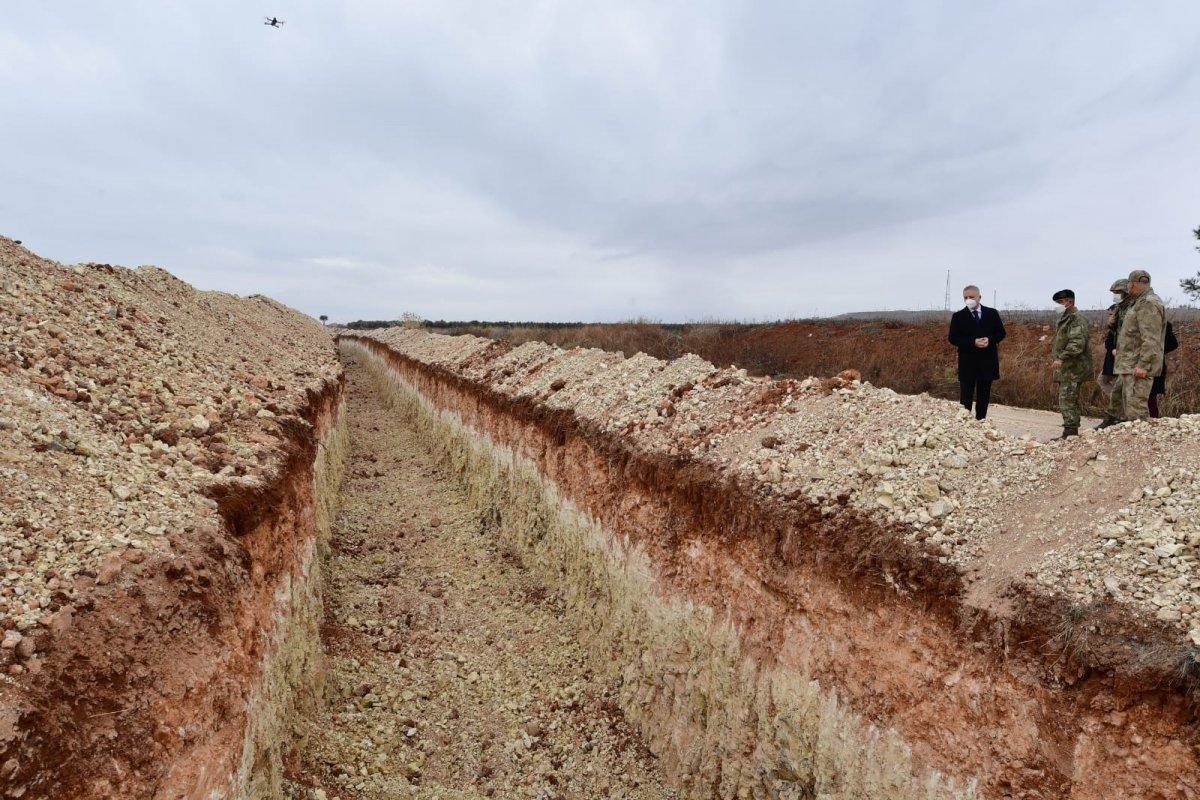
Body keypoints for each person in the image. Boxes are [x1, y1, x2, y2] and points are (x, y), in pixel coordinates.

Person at [1108, 269, 1166, 424]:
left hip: (1137, 367)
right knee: (1131, 412)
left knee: (1136, 414)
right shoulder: (1139, 302)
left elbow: (1151, 339)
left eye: (1128, 284)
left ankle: (1144, 445)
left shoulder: (1148, 303)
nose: (1127, 287)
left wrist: (1143, 365)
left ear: (1133, 284)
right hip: (1130, 365)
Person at [948, 285, 1006, 420]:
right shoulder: (958, 316)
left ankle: (981, 422)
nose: (968, 300)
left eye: (971, 297)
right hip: (967, 362)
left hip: (987, 362)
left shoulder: (992, 313)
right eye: (965, 298)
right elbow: (953, 338)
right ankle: (965, 424)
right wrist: (972, 342)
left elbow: (1001, 333)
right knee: (966, 396)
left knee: (983, 396)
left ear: (979, 297)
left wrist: (990, 340)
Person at [1049, 289, 1092, 438]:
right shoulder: (1065, 318)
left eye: (1060, 302)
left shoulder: (1076, 319)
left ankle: (1070, 433)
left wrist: (1061, 358)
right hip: (1067, 368)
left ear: (1070, 302)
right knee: (1066, 399)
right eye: (1057, 303)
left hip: (1074, 368)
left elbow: (1076, 344)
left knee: (1068, 399)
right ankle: (1069, 431)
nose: (1058, 305)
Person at [1096, 279, 1129, 403]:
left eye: (1118, 292)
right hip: (1115, 358)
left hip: (1124, 357)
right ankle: (1118, 404)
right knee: (1104, 381)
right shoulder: (1120, 311)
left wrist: (1117, 350)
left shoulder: (1129, 311)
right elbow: (1111, 339)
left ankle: (1119, 404)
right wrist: (1111, 325)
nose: (1115, 295)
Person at [1149, 321, 1179, 418]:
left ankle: (1153, 422)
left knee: (1151, 396)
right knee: (1148, 397)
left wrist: (1157, 351)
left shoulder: (1163, 324)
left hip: (1155, 365)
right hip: (1146, 364)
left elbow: (1173, 344)